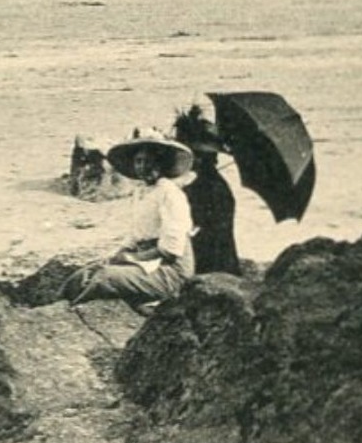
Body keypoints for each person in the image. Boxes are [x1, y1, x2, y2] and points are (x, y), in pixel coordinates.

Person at [68, 135, 196, 315]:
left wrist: (131, 259)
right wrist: (117, 256)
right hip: (147, 261)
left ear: (161, 164)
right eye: (139, 162)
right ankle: (54, 309)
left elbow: (170, 250)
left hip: (170, 271)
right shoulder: (141, 192)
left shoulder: (171, 193)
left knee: (104, 277)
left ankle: (75, 314)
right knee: (84, 274)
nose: (143, 167)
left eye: (150, 162)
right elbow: (135, 236)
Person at [173, 106, 240, 276]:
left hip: (210, 268)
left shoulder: (209, 188)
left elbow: (200, 234)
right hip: (217, 264)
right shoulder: (204, 183)